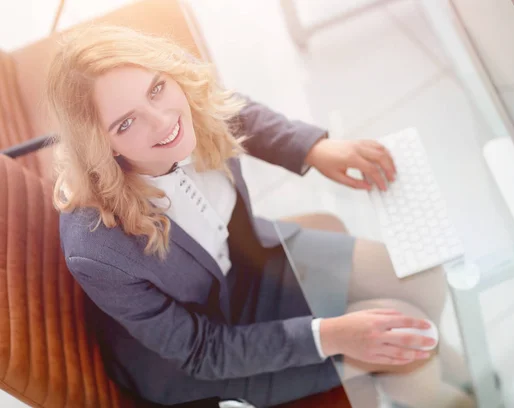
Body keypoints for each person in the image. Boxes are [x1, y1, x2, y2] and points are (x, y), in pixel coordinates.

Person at [47, 25, 473, 407]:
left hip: (253, 259)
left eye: (156, 89)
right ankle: (439, 390)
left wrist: (311, 148)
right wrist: (329, 335)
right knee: (408, 341)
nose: (164, 123)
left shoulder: (177, 90)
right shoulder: (98, 247)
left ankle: (436, 375)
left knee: (423, 280)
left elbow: (224, 106)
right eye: (126, 124)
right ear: (102, 146)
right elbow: (200, 351)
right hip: (217, 338)